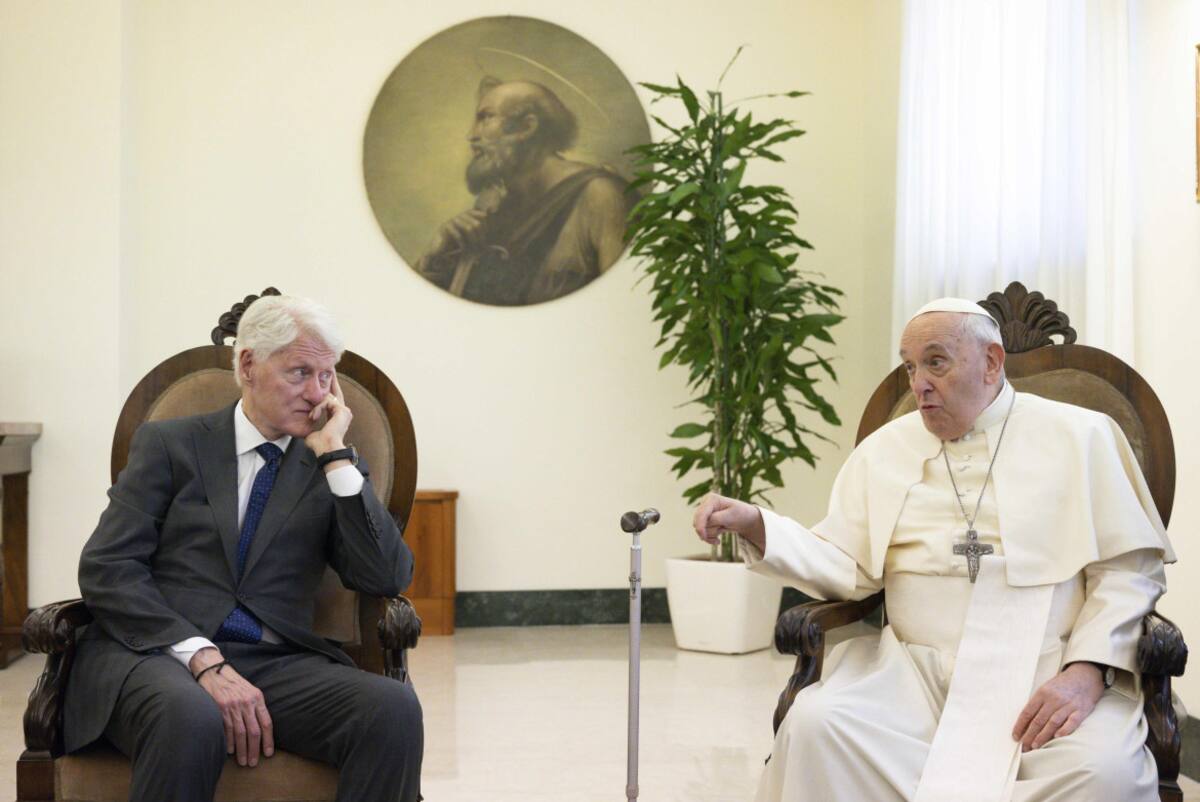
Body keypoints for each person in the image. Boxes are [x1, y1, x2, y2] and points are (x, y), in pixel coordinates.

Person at [692, 298, 1174, 802]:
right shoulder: (883, 451)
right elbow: (847, 564)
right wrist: (758, 525)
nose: (918, 382)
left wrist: (1088, 669)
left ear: (991, 362)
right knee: (818, 726)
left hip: (1045, 672)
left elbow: (1129, 572)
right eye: (909, 365)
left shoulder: (1083, 436)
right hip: (910, 680)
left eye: (935, 362)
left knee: (1101, 772)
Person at [63, 295, 422, 802]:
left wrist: (337, 459)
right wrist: (201, 658)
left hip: (276, 664)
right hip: (160, 654)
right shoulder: (171, 444)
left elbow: (386, 576)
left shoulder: (329, 466)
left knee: (392, 709)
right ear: (249, 365)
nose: (316, 394)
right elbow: (107, 567)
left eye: (326, 377)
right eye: (300, 372)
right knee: (189, 716)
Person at [416, 76, 631, 306]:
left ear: (528, 127)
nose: (472, 135)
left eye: (486, 118)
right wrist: (436, 257)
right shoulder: (494, 206)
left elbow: (626, 301)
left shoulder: (602, 196)